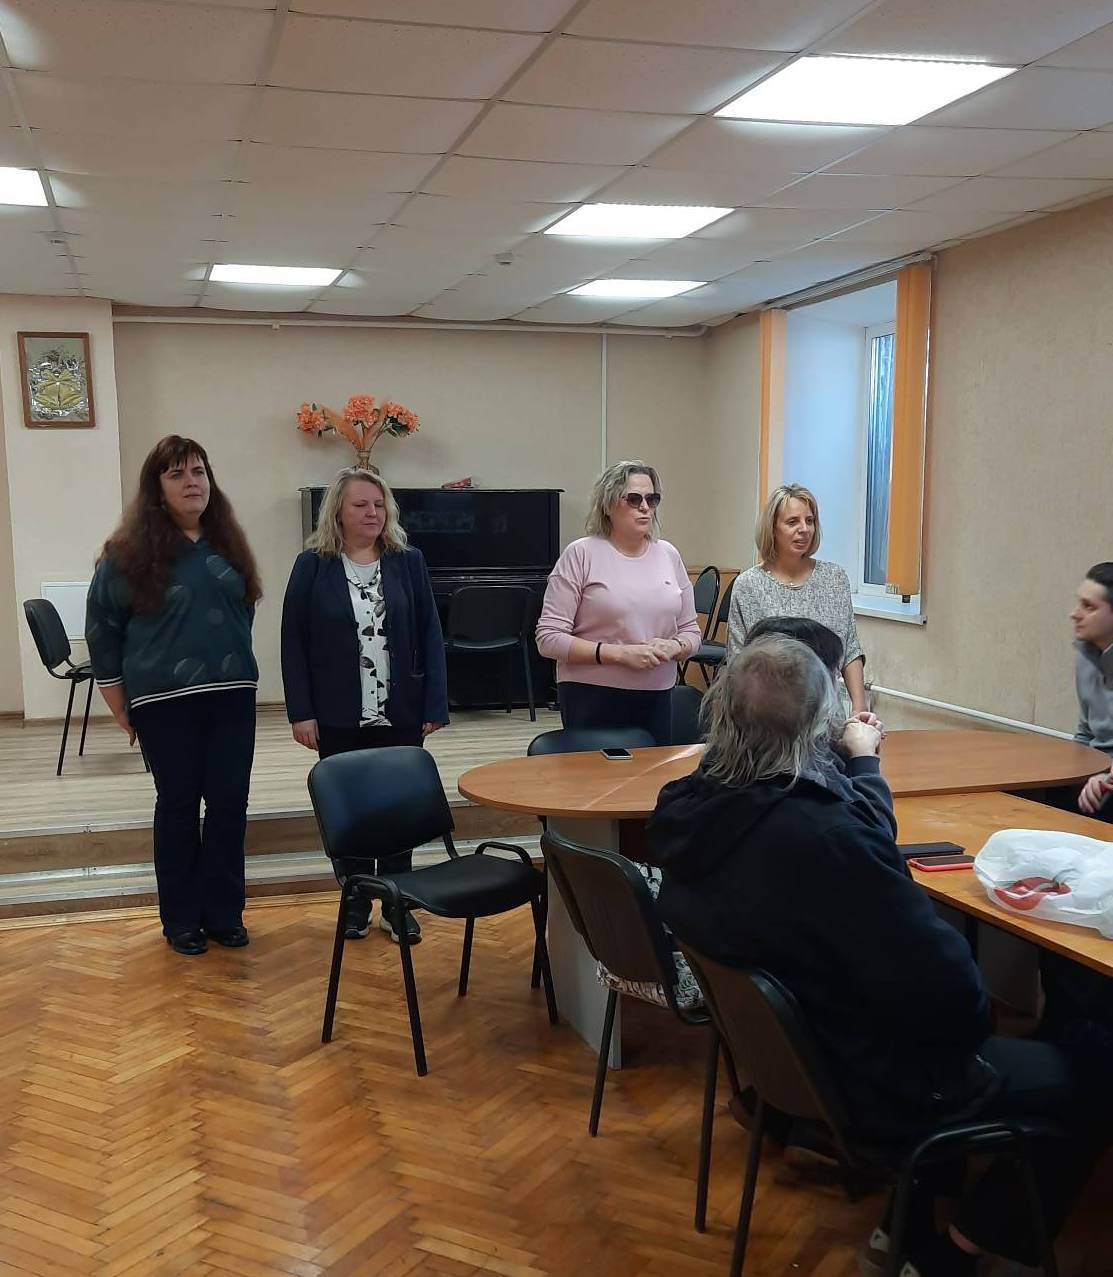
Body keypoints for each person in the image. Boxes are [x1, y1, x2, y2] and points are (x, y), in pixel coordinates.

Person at [644, 636, 1112, 1277]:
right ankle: (960, 1246)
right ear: (818, 730)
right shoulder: (824, 839)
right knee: (1098, 1071)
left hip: (797, 1063)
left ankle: (908, 1218)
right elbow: (957, 1001)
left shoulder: (688, 812)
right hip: (873, 1078)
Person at [85, 436, 261, 957]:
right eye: (177, 474)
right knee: (180, 804)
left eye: (199, 472)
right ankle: (182, 919)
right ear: (156, 488)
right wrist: (120, 704)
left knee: (229, 805)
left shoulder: (228, 544)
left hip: (232, 696)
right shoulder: (126, 555)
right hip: (164, 702)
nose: (192, 483)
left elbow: (243, 610)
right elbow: (102, 629)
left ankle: (224, 914)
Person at [281, 466, 448, 945]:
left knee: (399, 808)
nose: (373, 513)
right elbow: (293, 642)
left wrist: (434, 703)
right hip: (337, 713)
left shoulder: (408, 561)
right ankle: (355, 899)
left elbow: (430, 634)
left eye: (379, 504)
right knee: (350, 810)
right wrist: (301, 711)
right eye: (361, 504)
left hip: (400, 710)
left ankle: (397, 901)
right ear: (338, 511)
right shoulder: (312, 565)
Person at [535, 461, 701, 745]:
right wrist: (619, 654)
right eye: (634, 499)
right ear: (609, 505)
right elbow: (548, 639)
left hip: (657, 694)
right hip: (591, 693)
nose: (645, 507)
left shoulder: (668, 555)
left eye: (652, 499)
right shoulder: (580, 554)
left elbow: (691, 632)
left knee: (652, 771)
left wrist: (675, 647)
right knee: (598, 771)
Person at [743, 615, 894, 839]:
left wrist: (842, 749)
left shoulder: (727, 768)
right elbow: (875, 838)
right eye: (833, 674)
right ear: (812, 687)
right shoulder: (810, 785)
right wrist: (864, 758)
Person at [726, 483, 867, 714]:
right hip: (769, 718)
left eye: (809, 521)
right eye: (793, 522)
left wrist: (860, 709)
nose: (804, 529)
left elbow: (849, 649)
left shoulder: (834, 578)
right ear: (772, 529)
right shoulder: (748, 585)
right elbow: (738, 661)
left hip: (826, 716)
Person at [1069, 562, 1113, 817]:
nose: (1074, 614)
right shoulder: (1085, 656)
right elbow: (1085, 734)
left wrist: (1106, 778)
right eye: (1079, 603)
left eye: (1089, 607)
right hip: (1097, 770)